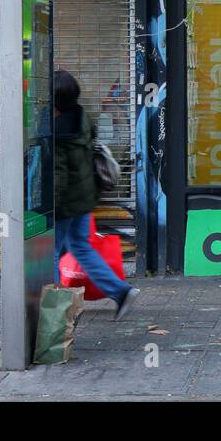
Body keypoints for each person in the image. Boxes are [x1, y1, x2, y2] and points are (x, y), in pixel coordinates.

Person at [52, 69, 139, 319]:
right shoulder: (82, 118)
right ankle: (121, 291)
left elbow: (58, 174)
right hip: (84, 198)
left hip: (66, 203)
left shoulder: (57, 132)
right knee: (81, 247)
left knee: (50, 254)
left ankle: (57, 313)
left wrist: (50, 207)